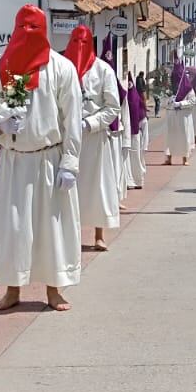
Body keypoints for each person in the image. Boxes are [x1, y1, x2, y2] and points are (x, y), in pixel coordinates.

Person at [0, 4, 83, 313]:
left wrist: (70, 162)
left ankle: (54, 290)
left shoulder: (61, 68)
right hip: (13, 161)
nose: (28, 33)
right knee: (13, 228)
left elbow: (72, 118)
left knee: (51, 228)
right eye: (22, 27)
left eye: (34, 28)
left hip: (49, 160)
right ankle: (12, 288)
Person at [66, 26, 122, 253]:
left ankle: (99, 234)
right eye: (75, 42)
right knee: (67, 187)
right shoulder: (63, 68)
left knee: (97, 186)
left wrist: (90, 123)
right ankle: (69, 235)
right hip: (67, 138)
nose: (79, 47)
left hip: (94, 138)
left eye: (83, 42)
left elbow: (113, 107)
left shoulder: (103, 70)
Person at [164, 63, 196, 165]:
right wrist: (169, 101)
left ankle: (185, 159)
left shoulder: (188, 89)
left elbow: (192, 102)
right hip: (172, 116)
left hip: (183, 117)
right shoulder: (171, 90)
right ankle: (169, 158)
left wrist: (180, 104)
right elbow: (164, 103)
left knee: (184, 138)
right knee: (171, 137)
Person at [126, 73, 149, 190]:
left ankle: (138, 180)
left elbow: (144, 123)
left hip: (135, 136)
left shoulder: (136, 101)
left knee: (136, 159)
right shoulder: (128, 98)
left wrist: (145, 145)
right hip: (127, 135)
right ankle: (130, 181)